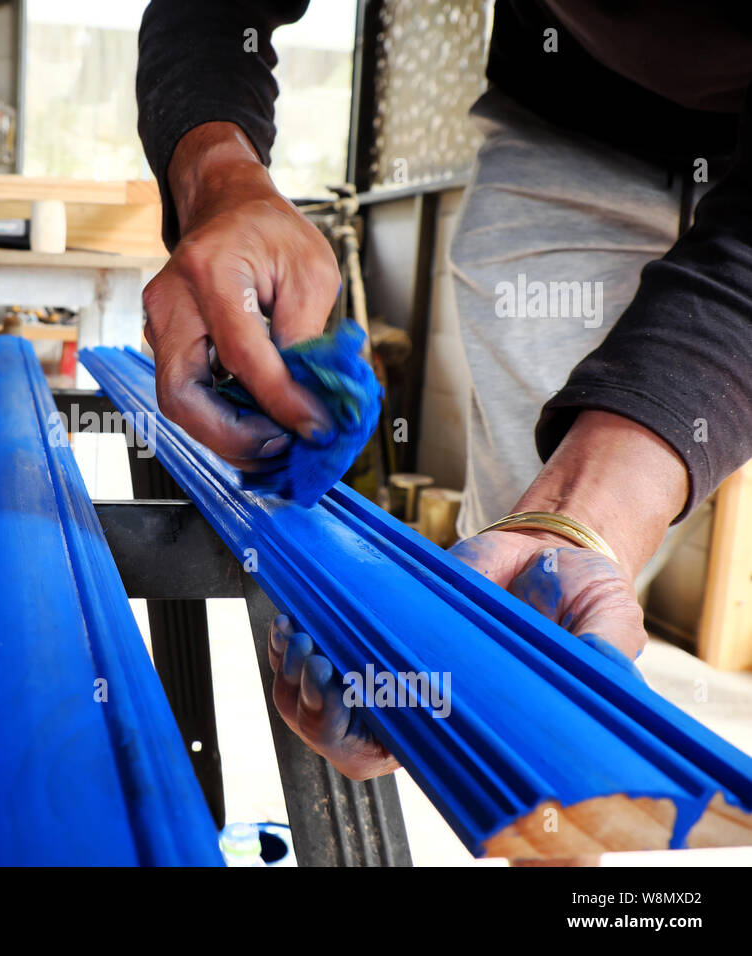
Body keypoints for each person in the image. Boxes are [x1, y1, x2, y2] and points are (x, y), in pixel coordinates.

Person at [136, 1, 752, 778]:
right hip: (572, 127)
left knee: (562, 648)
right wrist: (220, 179)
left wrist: (585, 516)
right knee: (533, 638)